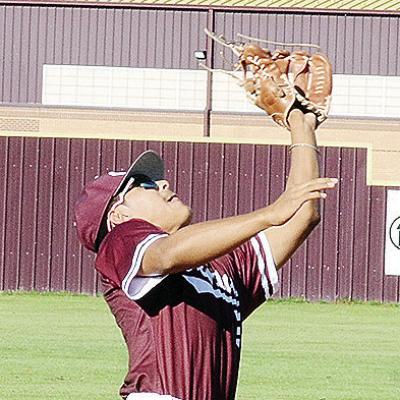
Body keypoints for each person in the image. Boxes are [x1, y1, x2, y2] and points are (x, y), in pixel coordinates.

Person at [74, 109, 338, 400]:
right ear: (118, 214)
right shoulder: (119, 242)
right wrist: (268, 214)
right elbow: (165, 255)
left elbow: (302, 215)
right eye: (143, 184)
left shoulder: (223, 264)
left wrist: (300, 123)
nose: (162, 184)